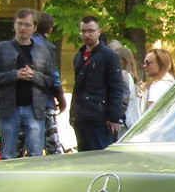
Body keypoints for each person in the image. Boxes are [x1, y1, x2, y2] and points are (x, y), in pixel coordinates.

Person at [0, 9, 54, 160]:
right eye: (20, 24)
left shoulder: (43, 51)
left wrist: (34, 76)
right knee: (7, 155)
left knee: (36, 155)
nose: (23, 28)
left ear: (34, 28)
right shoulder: (1, 49)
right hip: (9, 109)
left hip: (34, 110)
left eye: (28, 25)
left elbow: (51, 80)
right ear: (14, 25)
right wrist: (14, 75)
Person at [71, 16, 125, 151]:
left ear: (99, 31)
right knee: (84, 156)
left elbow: (116, 87)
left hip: (100, 116)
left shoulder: (109, 56)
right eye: (83, 31)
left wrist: (114, 117)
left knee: (101, 155)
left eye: (90, 31)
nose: (87, 35)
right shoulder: (79, 56)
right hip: (81, 116)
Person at [33, 12, 67, 155]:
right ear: (50, 29)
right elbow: (54, 75)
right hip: (45, 101)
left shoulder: (18, 45)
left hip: (23, 102)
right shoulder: (48, 47)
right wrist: (60, 97)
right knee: (51, 143)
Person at [113, 44, 143, 134]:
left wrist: (114, 116)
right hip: (131, 118)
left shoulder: (123, 75)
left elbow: (124, 99)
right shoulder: (130, 75)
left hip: (125, 121)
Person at [141, 48, 175, 113]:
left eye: (148, 63)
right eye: (144, 62)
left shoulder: (158, 86)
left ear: (162, 64)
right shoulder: (171, 83)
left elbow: (152, 114)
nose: (144, 66)